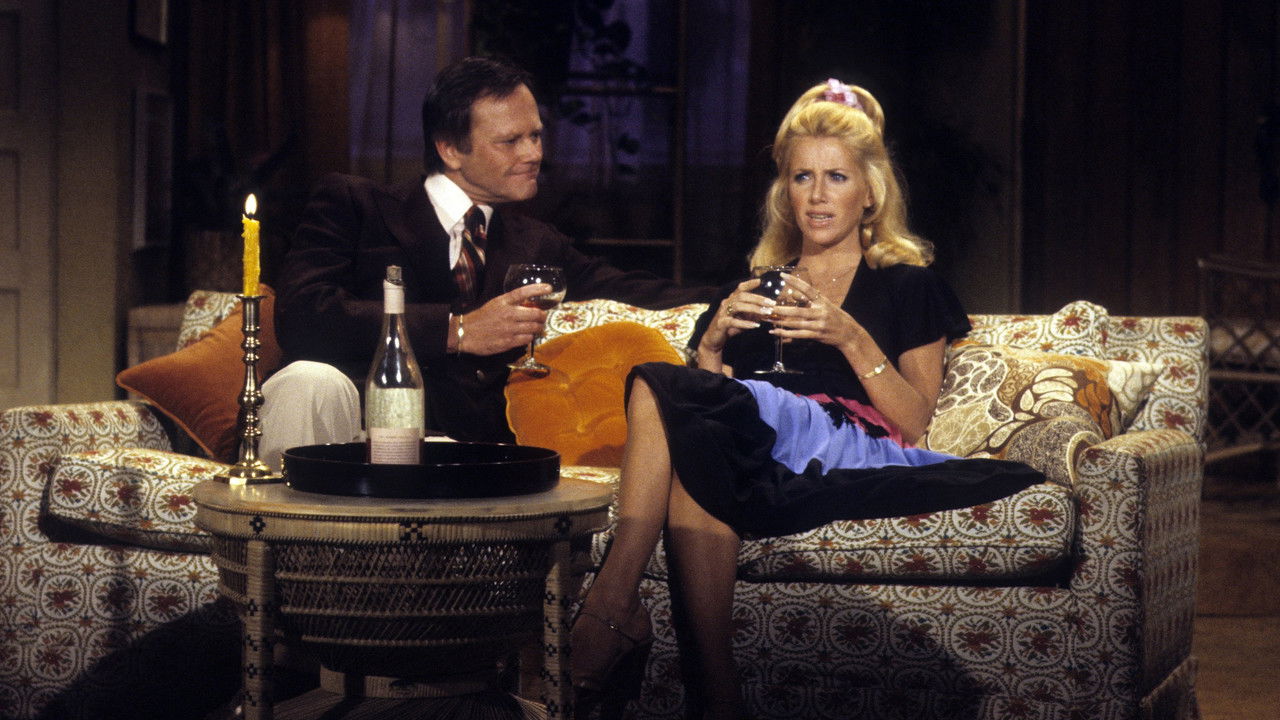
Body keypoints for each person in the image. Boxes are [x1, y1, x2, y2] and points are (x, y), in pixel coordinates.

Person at [568, 79, 1044, 719]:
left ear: (870, 191)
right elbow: (710, 401)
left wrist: (848, 334)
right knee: (697, 455)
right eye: (802, 177)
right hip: (759, 459)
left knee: (660, 383)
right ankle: (717, 697)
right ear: (784, 192)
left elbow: (912, 423)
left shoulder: (908, 286)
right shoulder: (756, 288)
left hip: (843, 449)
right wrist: (711, 344)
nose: (817, 195)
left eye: (836, 177)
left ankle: (609, 606)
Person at [262, 56, 709, 465]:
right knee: (307, 380)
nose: (533, 154)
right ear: (450, 149)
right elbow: (303, 316)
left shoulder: (536, 243)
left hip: (474, 455)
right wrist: (458, 330)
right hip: (357, 432)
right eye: (511, 141)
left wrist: (738, 294)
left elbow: (635, 291)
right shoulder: (356, 205)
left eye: (535, 135)